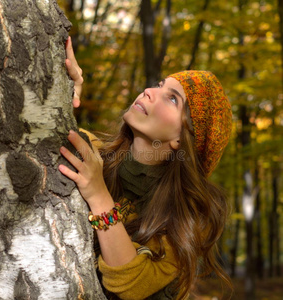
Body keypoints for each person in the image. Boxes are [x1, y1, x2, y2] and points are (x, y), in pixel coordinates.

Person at [62, 37, 233, 299]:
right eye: (158, 85)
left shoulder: (186, 221)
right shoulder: (93, 152)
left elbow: (132, 284)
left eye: (173, 99)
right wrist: (63, 88)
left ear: (181, 139)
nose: (149, 91)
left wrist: (98, 196)